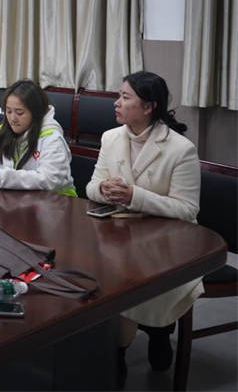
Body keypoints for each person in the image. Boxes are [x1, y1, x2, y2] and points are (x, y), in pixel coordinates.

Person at [85, 71, 202, 380]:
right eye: (118, 95)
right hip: (120, 236)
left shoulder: (180, 149)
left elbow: (187, 209)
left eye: (125, 97)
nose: (116, 103)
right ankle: (115, 347)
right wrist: (104, 189)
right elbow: (91, 187)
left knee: (128, 280)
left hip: (167, 245)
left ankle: (154, 331)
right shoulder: (111, 137)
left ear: (149, 107)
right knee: (96, 273)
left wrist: (134, 196)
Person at [0, 79, 75, 195]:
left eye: (19, 113)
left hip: (57, 202)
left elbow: (50, 179)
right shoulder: (3, 132)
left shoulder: (52, 139)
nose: (13, 119)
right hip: (17, 200)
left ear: (36, 112)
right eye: (8, 111)